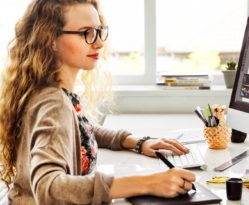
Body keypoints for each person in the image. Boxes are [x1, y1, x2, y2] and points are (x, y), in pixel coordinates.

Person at [0, 0, 196, 204]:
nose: (99, 43)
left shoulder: (51, 92)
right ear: (50, 39)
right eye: (86, 32)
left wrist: (138, 142)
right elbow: (48, 187)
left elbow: (80, 129)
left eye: (99, 31)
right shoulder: (54, 104)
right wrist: (147, 183)